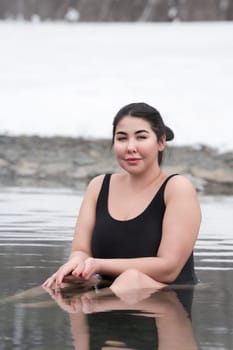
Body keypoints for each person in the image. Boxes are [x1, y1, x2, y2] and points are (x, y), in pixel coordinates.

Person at [43, 102, 201, 291]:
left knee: (131, 279)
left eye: (141, 137)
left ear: (160, 142)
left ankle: (88, 304)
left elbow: (169, 268)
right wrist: (77, 265)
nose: (130, 147)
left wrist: (98, 265)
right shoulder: (99, 185)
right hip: (108, 290)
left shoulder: (177, 188)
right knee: (59, 284)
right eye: (122, 138)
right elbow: (81, 250)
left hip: (165, 298)